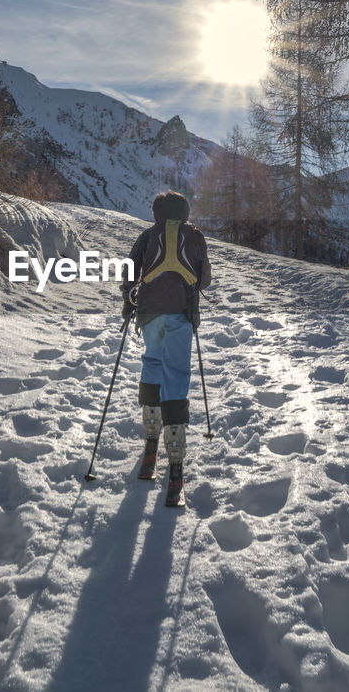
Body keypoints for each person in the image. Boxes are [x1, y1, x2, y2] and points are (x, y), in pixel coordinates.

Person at [121, 191, 211, 508]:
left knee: (152, 364)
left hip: (150, 314)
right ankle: (175, 462)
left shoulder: (148, 236)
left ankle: (150, 441)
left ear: (157, 211)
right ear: (185, 212)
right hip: (182, 315)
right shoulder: (195, 237)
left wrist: (128, 301)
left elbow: (129, 273)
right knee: (176, 377)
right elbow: (204, 280)